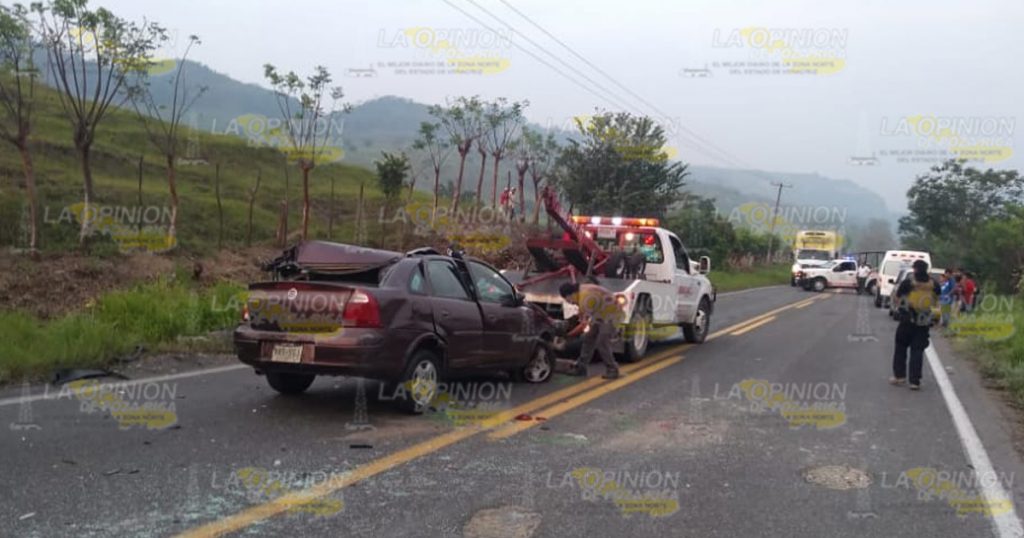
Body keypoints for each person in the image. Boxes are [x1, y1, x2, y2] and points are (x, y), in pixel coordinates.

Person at [891, 259, 940, 391]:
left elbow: (897, 297)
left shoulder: (908, 283)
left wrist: (901, 308)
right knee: (917, 350)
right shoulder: (934, 284)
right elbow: (937, 300)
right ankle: (915, 381)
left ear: (915, 269)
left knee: (900, 348)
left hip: (907, 320)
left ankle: (899, 376)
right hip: (923, 321)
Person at [559, 282, 621, 379]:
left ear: (570, 295)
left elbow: (583, 325)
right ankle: (581, 367)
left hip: (612, 314)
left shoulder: (585, 298)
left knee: (602, 342)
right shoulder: (581, 292)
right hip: (600, 313)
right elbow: (581, 313)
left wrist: (568, 335)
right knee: (589, 338)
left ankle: (613, 369)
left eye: (568, 300)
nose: (570, 303)